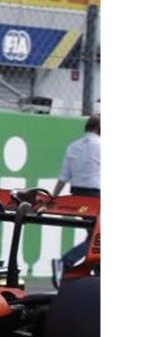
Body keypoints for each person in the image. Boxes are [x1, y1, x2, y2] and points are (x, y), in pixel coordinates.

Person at [50, 114, 100, 280]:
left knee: (95, 235)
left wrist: (53, 197)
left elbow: (64, 176)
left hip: (78, 194)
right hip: (97, 195)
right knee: (98, 238)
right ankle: (66, 261)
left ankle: (98, 274)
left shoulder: (73, 146)